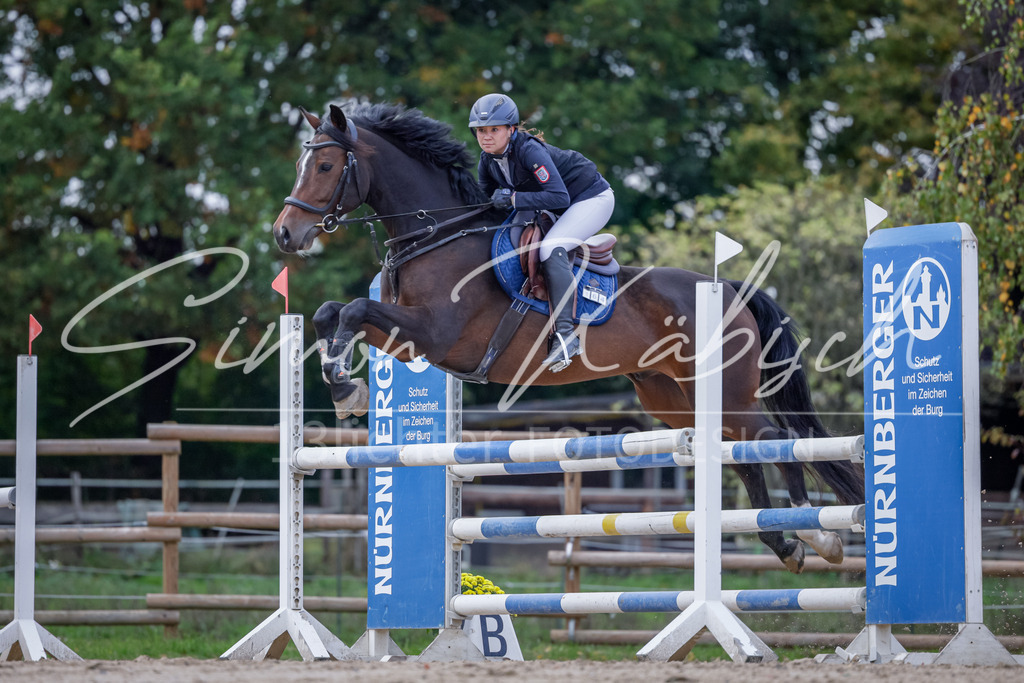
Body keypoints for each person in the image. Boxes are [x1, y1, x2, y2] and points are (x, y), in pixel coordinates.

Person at [469, 93, 615, 373]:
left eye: (494, 129)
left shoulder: (529, 151)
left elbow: (559, 196)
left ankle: (566, 336)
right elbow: (485, 204)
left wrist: (513, 199)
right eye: (480, 131)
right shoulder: (487, 160)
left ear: (511, 129)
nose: (486, 137)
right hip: (559, 206)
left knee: (550, 248)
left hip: (590, 198)